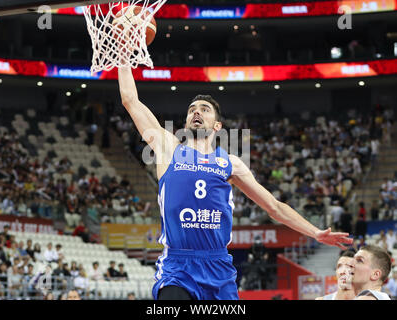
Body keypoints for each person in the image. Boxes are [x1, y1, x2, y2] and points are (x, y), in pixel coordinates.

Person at [117, 67, 353, 300]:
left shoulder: (231, 164)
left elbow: (274, 206)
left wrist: (315, 232)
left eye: (204, 109)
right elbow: (130, 100)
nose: (196, 112)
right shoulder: (167, 148)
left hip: (218, 266)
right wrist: (124, 55)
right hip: (178, 267)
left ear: (217, 126)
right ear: (187, 121)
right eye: (192, 110)